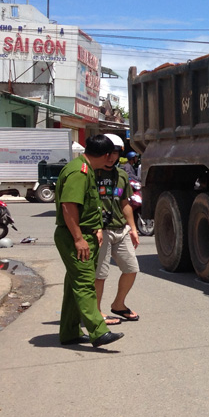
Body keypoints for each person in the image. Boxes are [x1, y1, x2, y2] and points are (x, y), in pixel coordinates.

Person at [55, 134, 124, 348]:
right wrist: (78, 238)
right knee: (85, 284)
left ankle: (69, 332)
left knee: (74, 285)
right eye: (112, 154)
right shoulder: (79, 172)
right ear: (106, 155)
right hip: (76, 235)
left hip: (85, 233)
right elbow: (69, 206)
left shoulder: (86, 168)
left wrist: (95, 228)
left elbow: (87, 205)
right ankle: (98, 332)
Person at [95, 134, 141, 325]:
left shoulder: (121, 175)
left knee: (131, 268)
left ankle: (119, 304)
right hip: (101, 230)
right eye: (108, 153)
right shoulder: (92, 173)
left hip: (120, 229)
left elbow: (125, 203)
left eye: (114, 153)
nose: (111, 157)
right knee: (100, 274)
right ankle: (96, 312)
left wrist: (133, 228)